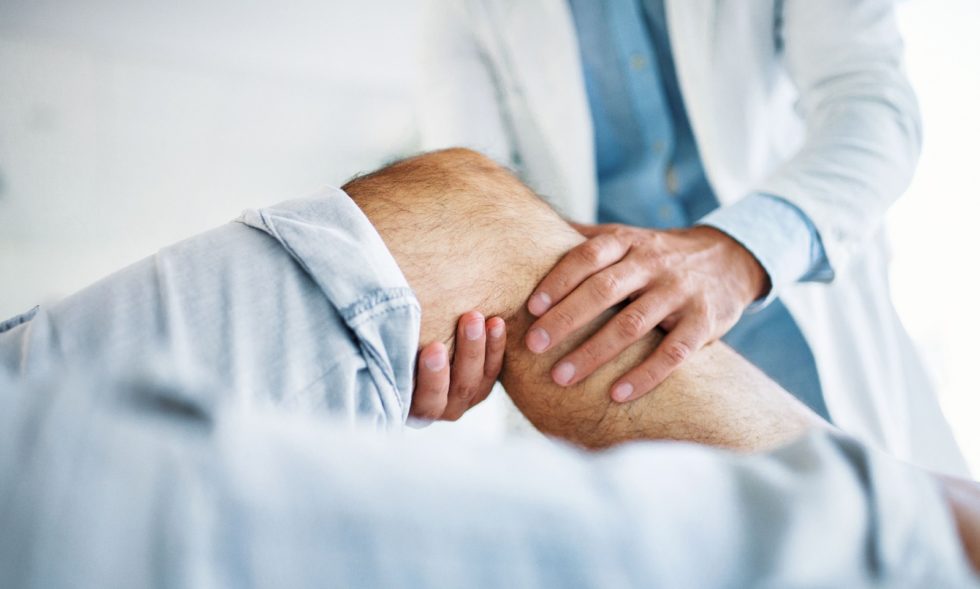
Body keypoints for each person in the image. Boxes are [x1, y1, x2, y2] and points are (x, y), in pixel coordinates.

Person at [0, 149, 977, 586]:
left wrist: (737, 249)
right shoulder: (472, 19)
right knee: (487, 227)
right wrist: (420, 360)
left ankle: (907, 530)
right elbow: (512, 223)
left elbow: (871, 113)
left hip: (757, 287)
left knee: (482, 219)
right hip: (618, 316)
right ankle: (916, 538)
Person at [416, 0, 968, 476]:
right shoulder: (459, 12)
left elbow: (873, 107)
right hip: (606, 361)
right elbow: (477, 194)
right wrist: (456, 337)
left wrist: (740, 250)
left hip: (796, 311)